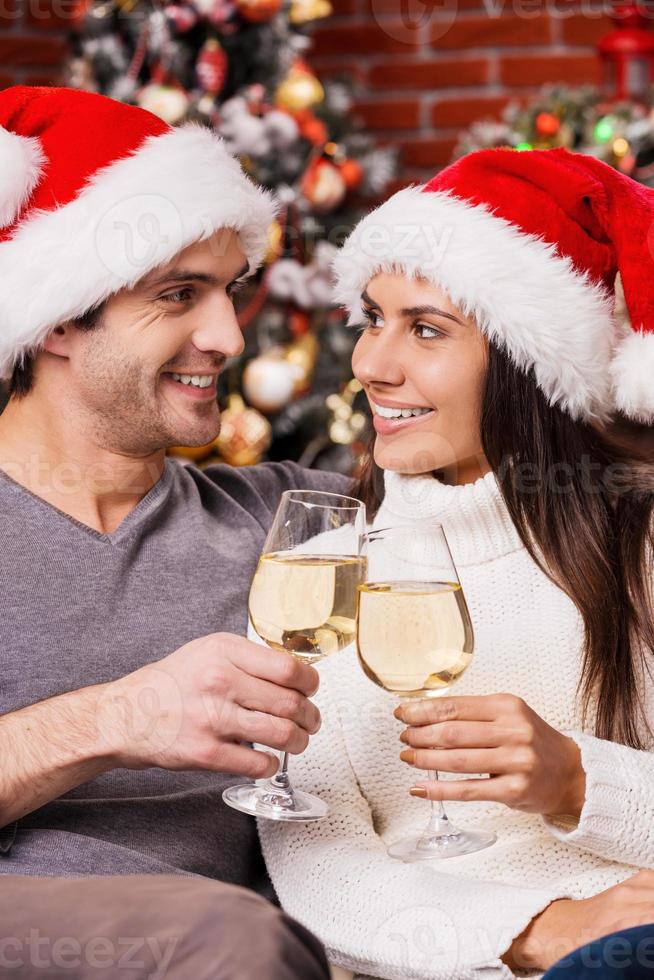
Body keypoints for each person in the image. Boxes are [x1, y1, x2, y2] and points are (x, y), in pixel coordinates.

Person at [257, 147, 654, 980]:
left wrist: (580, 784)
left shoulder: (637, 546)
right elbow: (316, 867)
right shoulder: (319, 579)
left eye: (426, 328)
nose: (371, 363)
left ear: (527, 363)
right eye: (371, 318)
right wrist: (536, 929)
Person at [0, 84, 346, 978]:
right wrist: (118, 717)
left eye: (228, 291)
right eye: (179, 294)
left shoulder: (293, 523)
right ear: (60, 320)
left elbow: (522, 497)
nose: (229, 333)